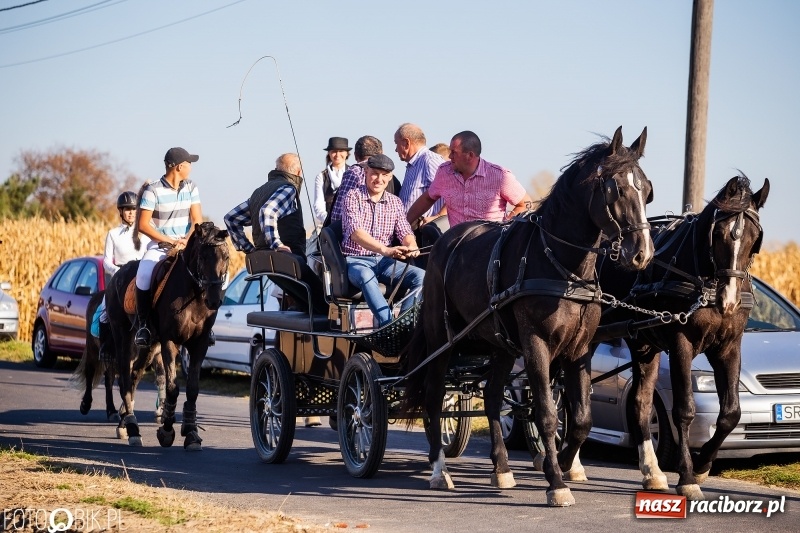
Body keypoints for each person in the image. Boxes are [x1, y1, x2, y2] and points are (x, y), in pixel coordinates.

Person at [224, 153, 327, 429]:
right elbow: (268, 213)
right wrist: (275, 243)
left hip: (272, 269)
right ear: (296, 171)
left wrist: (249, 249)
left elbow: (231, 218)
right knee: (326, 304)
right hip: (289, 264)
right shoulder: (287, 188)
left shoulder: (260, 190)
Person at [341, 154, 424, 327]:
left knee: (422, 276)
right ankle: (387, 325)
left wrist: (412, 245)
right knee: (365, 275)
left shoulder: (395, 202)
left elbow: (404, 230)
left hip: (385, 263)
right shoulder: (352, 197)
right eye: (375, 173)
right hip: (356, 261)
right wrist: (385, 250)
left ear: (390, 177)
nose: (379, 179)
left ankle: (403, 324)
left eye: (384, 175)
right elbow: (356, 233)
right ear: (366, 172)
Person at [133, 147, 203, 347]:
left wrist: (186, 240)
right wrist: (172, 241)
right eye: (189, 163)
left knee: (209, 272)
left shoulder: (191, 187)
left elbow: (197, 220)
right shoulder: (152, 190)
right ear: (180, 166)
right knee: (144, 275)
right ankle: (144, 325)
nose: (191, 167)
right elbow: (143, 225)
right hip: (160, 247)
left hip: (187, 245)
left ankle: (206, 326)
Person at [407, 130, 532, 228]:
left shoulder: (500, 176)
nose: (449, 156)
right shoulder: (444, 172)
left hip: (490, 247)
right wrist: (405, 224)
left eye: (454, 152)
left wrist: (507, 226)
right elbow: (428, 198)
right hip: (457, 245)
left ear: (470, 155)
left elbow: (526, 203)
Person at [94, 191, 152, 360]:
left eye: (134, 209)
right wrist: (117, 272)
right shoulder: (112, 234)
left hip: (139, 276)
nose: (131, 212)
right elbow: (106, 262)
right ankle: (105, 346)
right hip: (120, 279)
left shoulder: (145, 232)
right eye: (127, 209)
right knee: (104, 311)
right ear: (120, 212)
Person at [328, 135, 400, 225]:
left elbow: (338, 215)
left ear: (355, 155)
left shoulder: (354, 172)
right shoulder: (391, 178)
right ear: (382, 153)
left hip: (358, 234)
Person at [394, 123, 445, 217]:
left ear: (406, 143)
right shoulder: (413, 164)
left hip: (426, 229)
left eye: (396, 144)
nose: (396, 150)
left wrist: (438, 217)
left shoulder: (430, 160)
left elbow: (453, 192)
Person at [312, 137, 351, 227]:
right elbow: (319, 204)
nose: (337, 154)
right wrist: (329, 220)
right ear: (329, 153)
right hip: (329, 224)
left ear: (346, 154)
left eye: (341, 151)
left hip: (350, 223)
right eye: (334, 151)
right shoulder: (321, 176)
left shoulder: (353, 174)